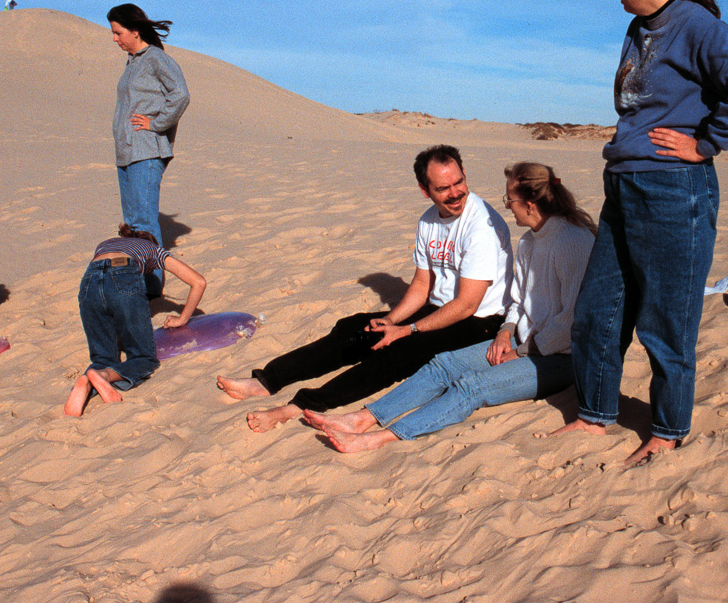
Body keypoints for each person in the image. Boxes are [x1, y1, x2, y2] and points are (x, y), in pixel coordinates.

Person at [551, 0, 728, 466]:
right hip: (624, 184)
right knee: (597, 312)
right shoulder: (637, 27)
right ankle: (596, 415)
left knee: (665, 320)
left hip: (674, 188)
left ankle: (669, 428)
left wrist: (705, 144)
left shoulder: (696, 25)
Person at [216, 145, 514, 432]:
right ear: (425, 190)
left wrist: (407, 331)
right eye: (443, 188)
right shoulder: (428, 222)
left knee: (398, 352)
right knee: (356, 329)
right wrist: (393, 321)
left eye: (458, 182)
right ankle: (268, 380)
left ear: (463, 172)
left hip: (479, 323)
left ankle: (301, 405)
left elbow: (466, 305)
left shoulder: (481, 224)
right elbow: (422, 284)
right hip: (437, 310)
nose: (455, 193)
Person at [305, 162, 596, 452]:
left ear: (530, 205)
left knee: (471, 387)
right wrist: (505, 333)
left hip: (560, 356)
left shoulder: (572, 241)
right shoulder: (530, 242)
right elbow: (518, 300)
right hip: (524, 339)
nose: (507, 206)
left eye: (510, 199)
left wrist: (520, 352)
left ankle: (378, 438)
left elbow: (571, 322)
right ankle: (362, 418)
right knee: (443, 364)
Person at [64, 224, 206, 416]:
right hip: (124, 273)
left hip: (89, 280)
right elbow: (198, 281)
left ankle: (86, 382)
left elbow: (106, 295)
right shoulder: (153, 249)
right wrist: (182, 318)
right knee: (144, 358)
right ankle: (102, 375)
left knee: (103, 358)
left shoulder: (106, 245)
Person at [107, 3, 191, 299]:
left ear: (135, 31)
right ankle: (139, 277)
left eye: (118, 33)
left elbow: (180, 94)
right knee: (131, 222)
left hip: (146, 151)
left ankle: (153, 282)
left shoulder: (155, 58)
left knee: (143, 220)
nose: (114, 38)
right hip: (126, 153)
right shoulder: (132, 62)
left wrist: (157, 124)